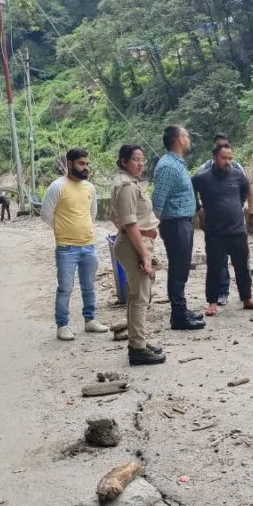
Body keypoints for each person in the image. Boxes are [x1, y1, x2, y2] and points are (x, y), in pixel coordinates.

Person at [41, 148, 110, 340]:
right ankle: (62, 325)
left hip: (89, 245)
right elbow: (46, 213)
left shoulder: (90, 188)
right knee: (65, 288)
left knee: (89, 286)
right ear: (69, 164)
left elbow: (92, 213)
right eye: (81, 163)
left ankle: (90, 320)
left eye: (87, 163)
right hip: (66, 248)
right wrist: (63, 230)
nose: (85, 167)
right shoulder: (57, 186)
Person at [193, 143, 253, 317]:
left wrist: (245, 210)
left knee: (242, 267)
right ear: (214, 158)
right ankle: (212, 302)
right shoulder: (202, 177)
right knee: (215, 268)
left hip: (238, 231)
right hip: (215, 232)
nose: (228, 162)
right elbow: (190, 192)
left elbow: (246, 192)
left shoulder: (238, 175)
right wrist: (199, 209)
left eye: (230, 158)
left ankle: (247, 298)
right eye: (224, 158)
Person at [110, 145, 166, 366]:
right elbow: (130, 223)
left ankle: (138, 341)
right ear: (124, 161)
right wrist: (144, 256)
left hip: (137, 241)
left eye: (142, 159)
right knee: (140, 298)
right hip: (135, 243)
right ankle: (138, 349)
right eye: (135, 159)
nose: (140, 163)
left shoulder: (128, 182)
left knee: (138, 296)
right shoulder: (125, 186)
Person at [152, 125, 205, 331]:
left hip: (183, 222)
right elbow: (157, 200)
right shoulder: (168, 166)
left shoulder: (177, 164)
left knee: (182, 269)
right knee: (177, 269)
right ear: (178, 139)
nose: (189, 138)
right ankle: (178, 316)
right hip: (174, 223)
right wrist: (152, 227)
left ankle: (181, 310)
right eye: (186, 135)